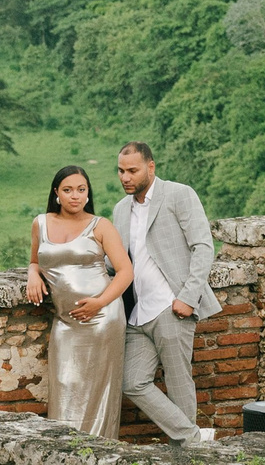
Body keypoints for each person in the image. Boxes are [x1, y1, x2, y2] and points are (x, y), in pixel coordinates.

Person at [111, 141, 220, 443]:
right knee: (131, 382)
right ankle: (195, 439)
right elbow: (115, 263)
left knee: (178, 382)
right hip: (137, 312)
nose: (125, 177)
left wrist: (188, 296)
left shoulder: (179, 194)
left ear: (150, 166)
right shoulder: (120, 210)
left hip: (172, 306)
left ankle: (189, 459)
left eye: (132, 170)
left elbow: (203, 246)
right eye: (120, 171)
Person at [24, 165, 133, 438]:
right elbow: (35, 260)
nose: (76, 196)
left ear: (88, 193)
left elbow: (125, 272)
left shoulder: (101, 225)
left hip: (102, 318)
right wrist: (32, 274)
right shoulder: (41, 223)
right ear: (56, 193)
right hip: (65, 321)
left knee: (99, 390)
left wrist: (99, 303)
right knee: (65, 383)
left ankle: (101, 455)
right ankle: (64, 453)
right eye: (68, 190)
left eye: (81, 190)